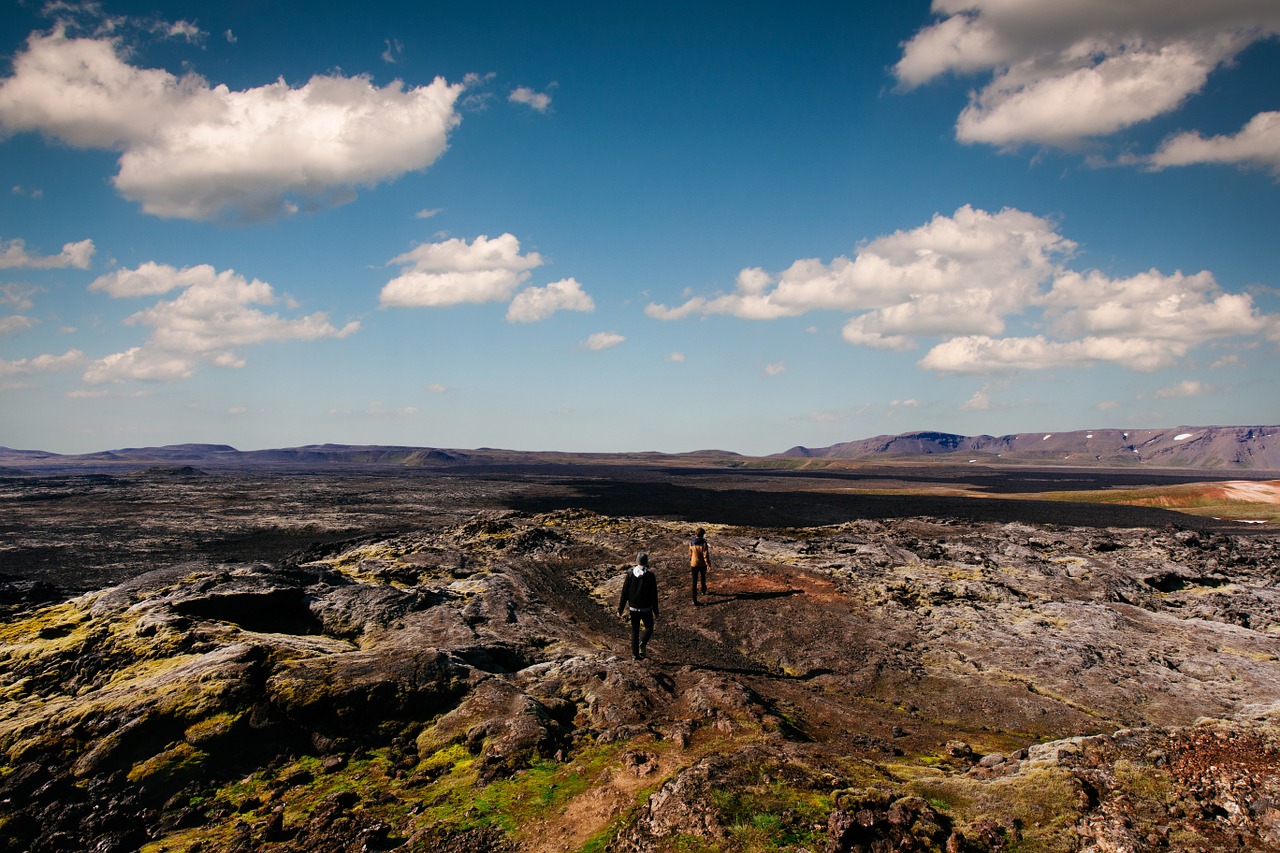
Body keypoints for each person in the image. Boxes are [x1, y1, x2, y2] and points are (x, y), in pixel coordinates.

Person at [618, 552, 659, 659]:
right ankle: (643, 643)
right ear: (646, 562)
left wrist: (620, 610)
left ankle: (634, 656)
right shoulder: (650, 576)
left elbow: (624, 593)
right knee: (649, 627)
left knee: (634, 631)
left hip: (633, 608)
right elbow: (653, 595)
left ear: (637, 561)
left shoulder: (630, 574)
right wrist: (656, 611)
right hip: (646, 608)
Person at [689, 527, 710, 605]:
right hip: (702, 564)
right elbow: (705, 555)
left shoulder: (691, 542)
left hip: (693, 564)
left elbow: (690, 553)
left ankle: (694, 599)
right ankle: (703, 590)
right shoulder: (704, 543)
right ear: (703, 534)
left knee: (694, 581)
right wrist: (708, 564)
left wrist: (691, 560)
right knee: (703, 577)